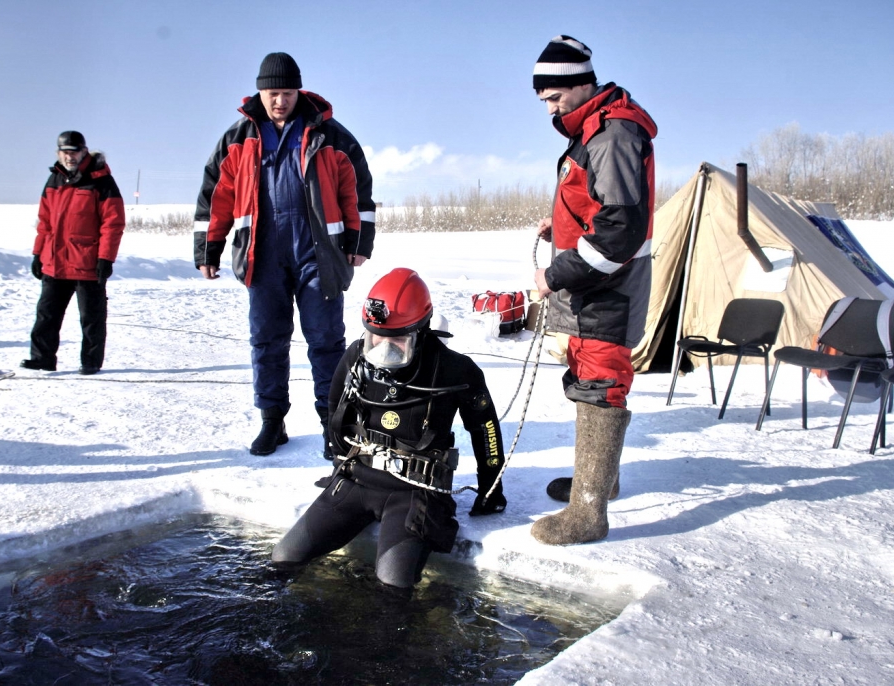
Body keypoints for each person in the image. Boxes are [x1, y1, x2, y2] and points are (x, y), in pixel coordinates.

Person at [271, 269, 507, 591]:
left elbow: (486, 431)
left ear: (420, 331)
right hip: (357, 480)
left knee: (392, 585)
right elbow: (335, 413)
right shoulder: (356, 357)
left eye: (397, 340)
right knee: (284, 556)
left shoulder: (454, 370)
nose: (383, 348)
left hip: (415, 491)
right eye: (375, 338)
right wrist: (340, 464)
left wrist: (491, 489)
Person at [194, 52, 375, 458]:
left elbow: (358, 191)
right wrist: (209, 248)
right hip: (263, 255)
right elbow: (215, 197)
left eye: (288, 93)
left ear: (298, 91)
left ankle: (336, 426)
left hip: (318, 254)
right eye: (274, 94)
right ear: (261, 92)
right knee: (267, 340)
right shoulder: (238, 139)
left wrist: (359, 242)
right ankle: (272, 421)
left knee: (326, 341)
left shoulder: (330, 135)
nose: (280, 101)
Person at [529, 36, 657, 545]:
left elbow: (620, 228)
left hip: (610, 287)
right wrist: (557, 230)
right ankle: (599, 483)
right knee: (588, 373)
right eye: (544, 102)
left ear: (583, 84)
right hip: (597, 283)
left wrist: (555, 274)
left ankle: (588, 514)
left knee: (601, 382)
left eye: (555, 98)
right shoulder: (592, 130)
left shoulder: (613, 134)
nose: (550, 110)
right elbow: (594, 206)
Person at [22, 131, 125, 375]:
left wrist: (105, 258)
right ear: (58, 154)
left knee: (91, 318)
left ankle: (90, 361)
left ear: (84, 152)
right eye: (65, 152)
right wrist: (38, 254)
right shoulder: (54, 180)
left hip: (87, 263)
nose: (69, 157)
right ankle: (42, 358)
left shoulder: (101, 181)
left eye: (74, 152)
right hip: (54, 262)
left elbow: (113, 223)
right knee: (46, 315)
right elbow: (44, 222)